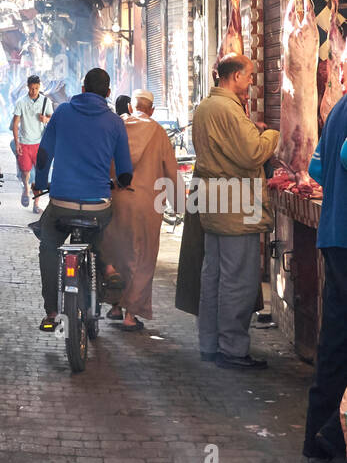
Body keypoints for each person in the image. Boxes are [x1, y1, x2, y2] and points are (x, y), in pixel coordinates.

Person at [191, 55, 279, 371]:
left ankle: (209, 344)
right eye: (250, 76)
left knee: (213, 277)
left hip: (214, 206)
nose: (251, 82)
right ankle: (232, 349)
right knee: (237, 281)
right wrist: (270, 135)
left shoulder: (204, 107)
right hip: (236, 208)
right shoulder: (229, 109)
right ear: (237, 76)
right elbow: (252, 153)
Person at [32, 67, 132, 332]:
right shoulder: (115, 122)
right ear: (108, 93)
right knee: (99, 235)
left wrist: (39, 184)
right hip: (98, 204)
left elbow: (44, 155)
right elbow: (125, 171)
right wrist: (121, 182)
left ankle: (52, 311)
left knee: (49, 245)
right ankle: (107, 269)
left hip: (62, 203)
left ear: (83, 89)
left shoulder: (63, 112)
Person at [103, 89, 178, 331]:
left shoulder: (117, 126)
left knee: (117, 254)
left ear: (130, 108)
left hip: (115, 201)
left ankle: (114, 306)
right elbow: (171, 171)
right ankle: (130, 315)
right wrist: (179, 204)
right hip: (147, 205)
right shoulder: (158, 132)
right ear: (152, 109)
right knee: (142, 259)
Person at [302, 94, 347, 463]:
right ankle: (333, 437)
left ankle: (319, 437)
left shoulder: (339, 108)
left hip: (334, 235)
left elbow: (317, 170)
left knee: (335, 341)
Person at [12, 75, 53, 212]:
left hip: (39, 144)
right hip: (24, 143)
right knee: (25, 172)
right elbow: (16, 123)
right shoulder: (21, 102)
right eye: (31, 88)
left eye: (36, 88)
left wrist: (45, 119)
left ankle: (36, 204)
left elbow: (52, 118)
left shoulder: (46, 101)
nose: (34, 91)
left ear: (39, 87)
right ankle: (26, 188)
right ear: (27, 87)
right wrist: (17, 142)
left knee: (40, 175)